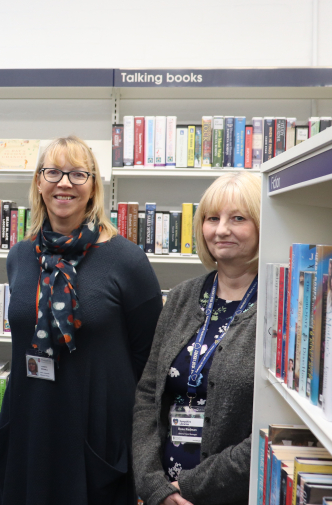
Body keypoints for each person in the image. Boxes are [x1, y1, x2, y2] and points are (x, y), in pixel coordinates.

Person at [0, 136, 163, 504]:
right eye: (53, 172)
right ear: (38, 182)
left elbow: (148, 361)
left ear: (94, 187)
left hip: (94, 434)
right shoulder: (20, 255)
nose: (64, 183)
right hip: (28, 427)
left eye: (77, 174)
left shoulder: (126, 259)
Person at [133, 172, 261, 505]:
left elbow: (270, 428)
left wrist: (188, 488)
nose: (221, 230)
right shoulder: (181, 297)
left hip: (228, 494)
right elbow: (148, 394)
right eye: (212, 218)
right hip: (162, 493)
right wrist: (154, 486)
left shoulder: (279, 307)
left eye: (238, 218)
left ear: (262, 225)